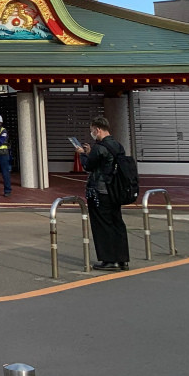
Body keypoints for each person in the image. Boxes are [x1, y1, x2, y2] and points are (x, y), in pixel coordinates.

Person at [75, 115, 130, 270]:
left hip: (100, 190)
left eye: (92, 130)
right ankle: (122, 259)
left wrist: (82, 153)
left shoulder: (100, 147)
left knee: (102, 225)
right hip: (115, 190)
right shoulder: (117, 146)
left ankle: (108, 259)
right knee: (117, 222)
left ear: (97, 129)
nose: (92, 133)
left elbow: (88, 166)